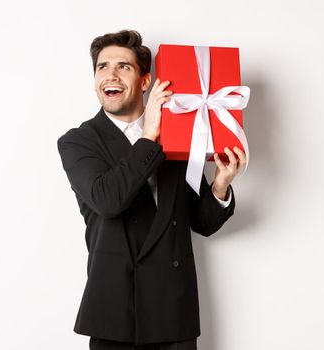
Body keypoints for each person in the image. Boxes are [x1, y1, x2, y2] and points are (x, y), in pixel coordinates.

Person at [57, 29, 246, 350]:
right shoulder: (78, 141)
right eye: (102, 67)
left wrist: (220, 183)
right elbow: (108, 201)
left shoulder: (180, 137)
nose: (110, 75)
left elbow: (202, 223)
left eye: (123, 67)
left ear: (145, 81)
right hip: (115, 313)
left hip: (174, 310)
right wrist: (150, 135)